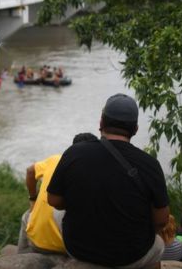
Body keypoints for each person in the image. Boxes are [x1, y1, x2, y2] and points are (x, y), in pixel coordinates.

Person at [47, 93, 170, 268]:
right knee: (158, 245)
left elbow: (54, 200)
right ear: (135, 129)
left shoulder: (74, 153)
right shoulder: (150, 164)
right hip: (132, 256)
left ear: (101, 123)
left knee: (57, 214)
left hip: (80, 250)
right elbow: (162, 220)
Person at [18, 132, 98, 255]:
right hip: (69, 247)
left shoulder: (55, 159)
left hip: (37, 243)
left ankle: (21, 256)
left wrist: (33, 198)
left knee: (27, 216)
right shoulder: (97, 169)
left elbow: (30, 171)